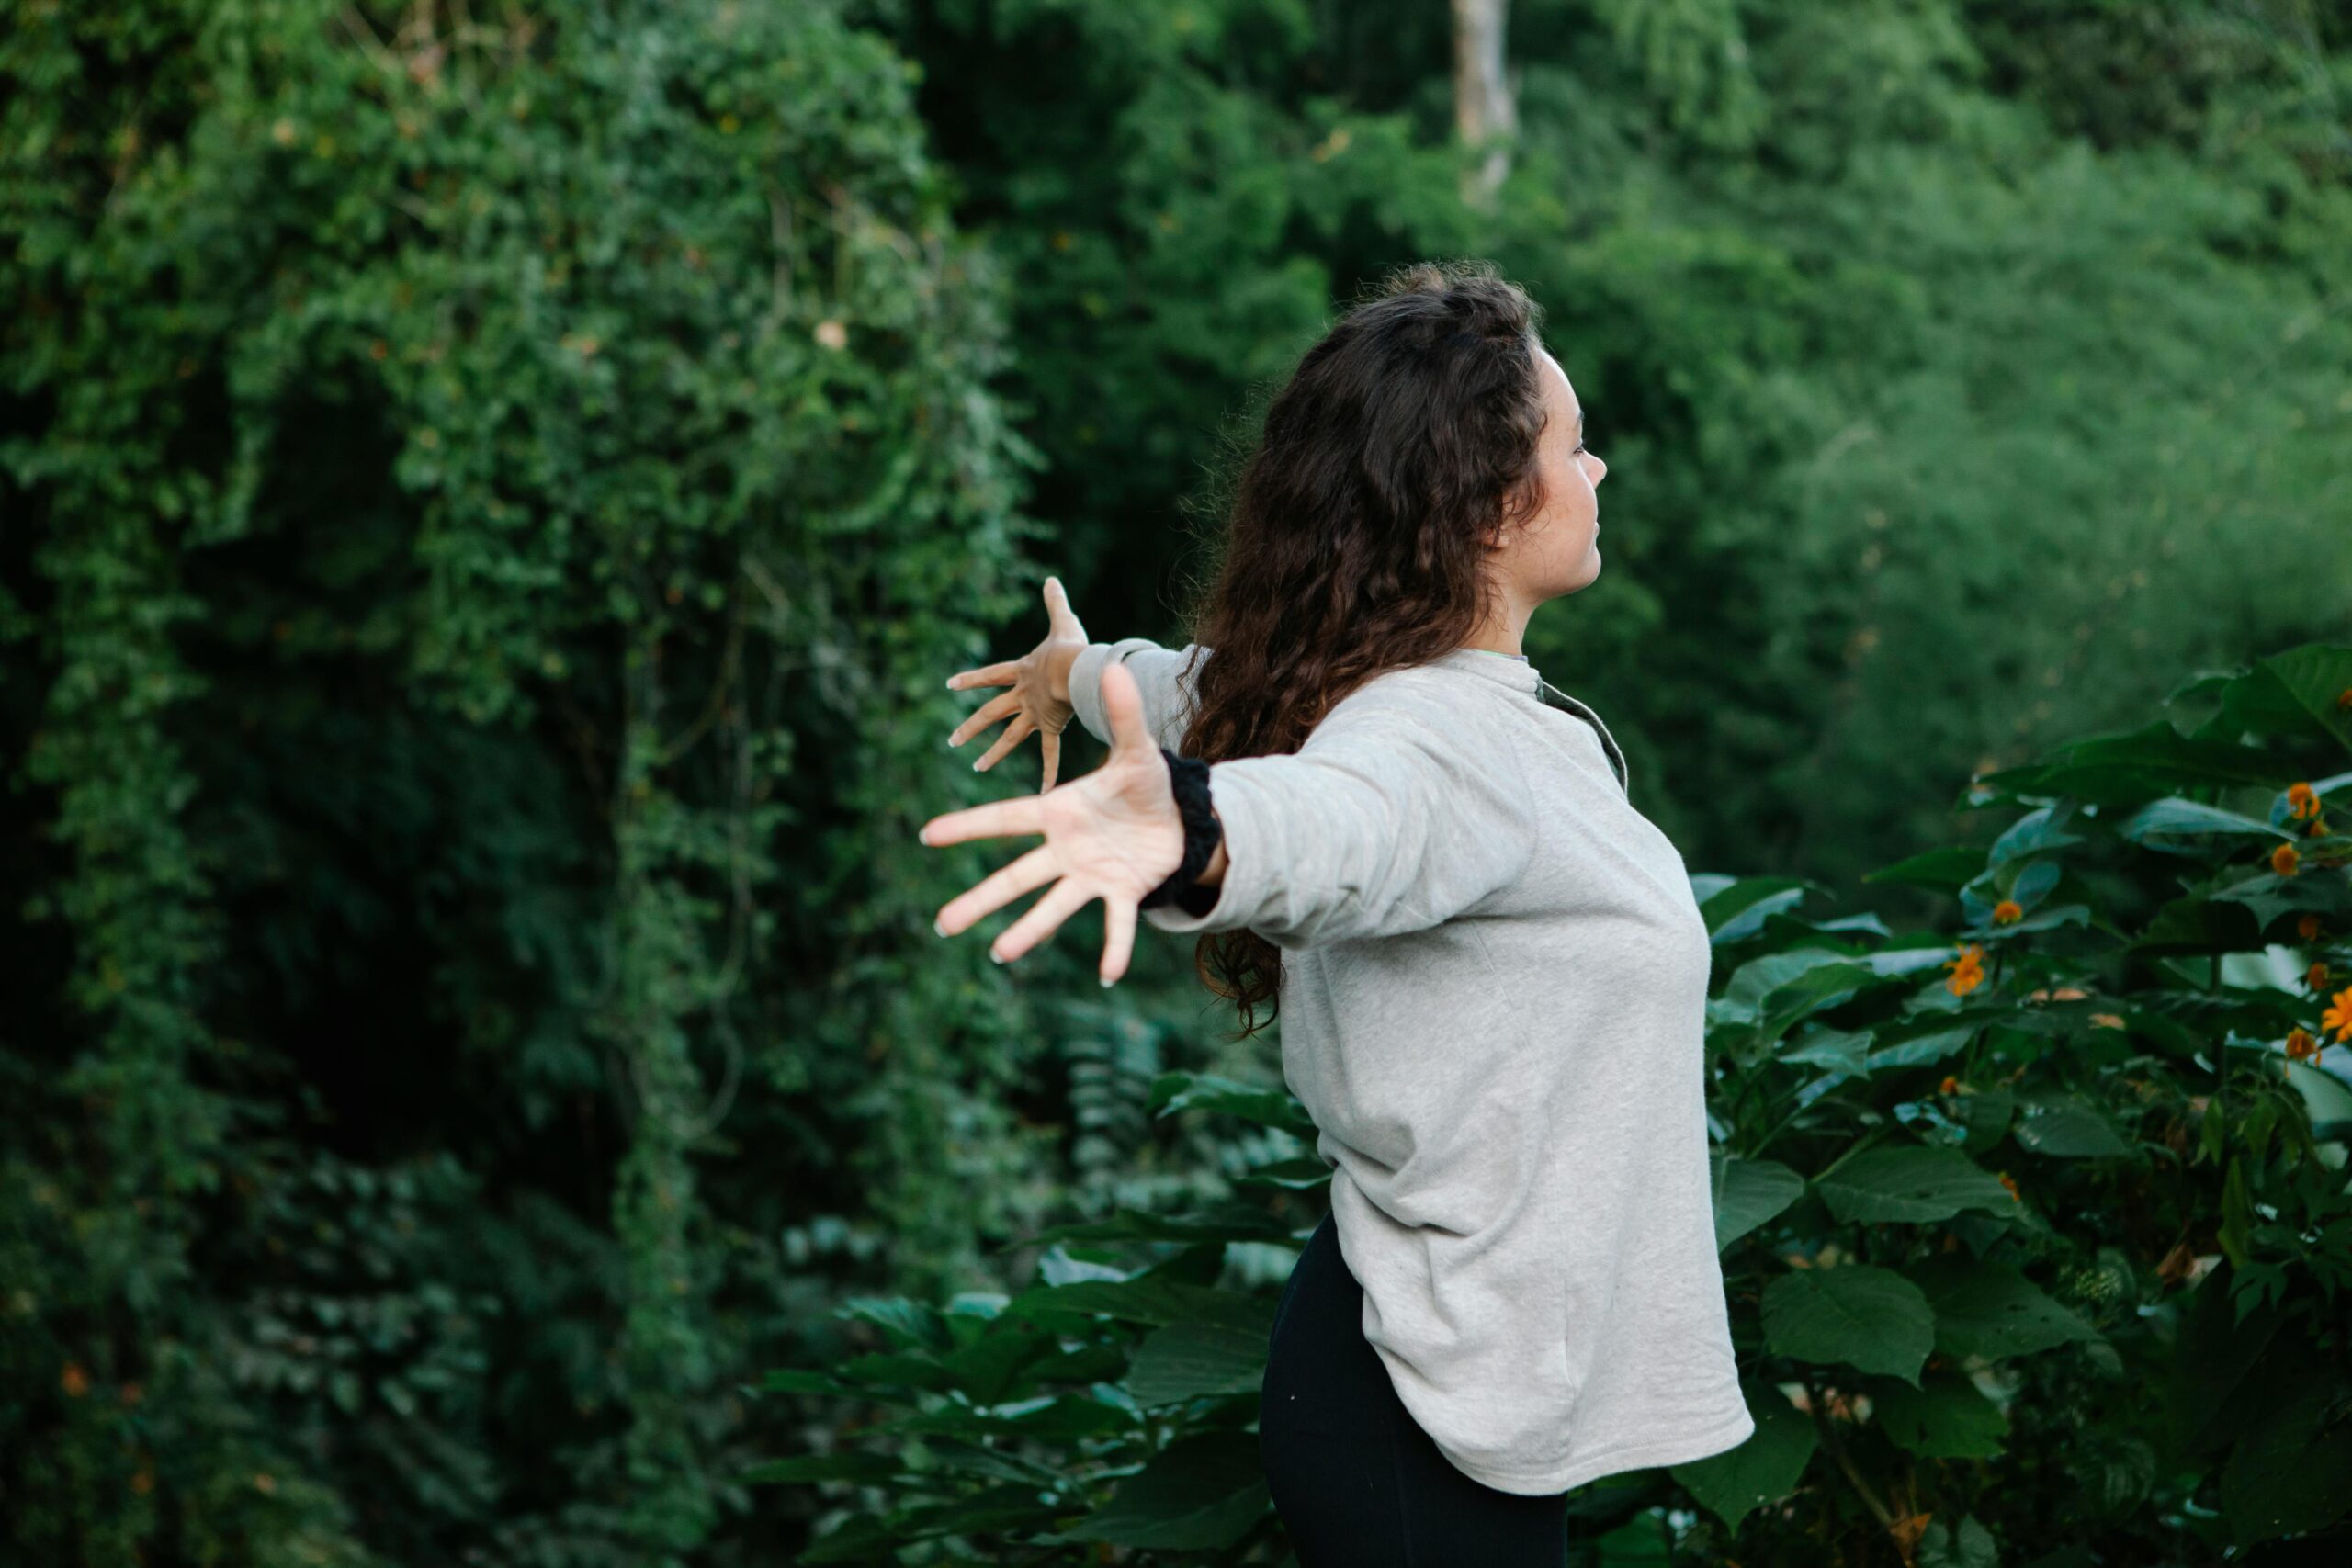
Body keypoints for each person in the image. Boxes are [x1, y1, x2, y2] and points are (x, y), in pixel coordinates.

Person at [919, 260, 1752, 1565]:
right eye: (1575, 450)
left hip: (1426, 1369)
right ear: (1485, 509)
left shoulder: (1356, 684)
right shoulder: (1438, 737)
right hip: (1416, 1414)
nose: (1598, 478)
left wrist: (1075, 672)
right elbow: (1337, 827)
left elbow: (1195, 691)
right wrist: (1190, 834)